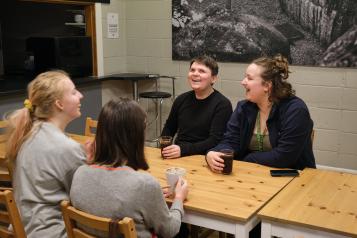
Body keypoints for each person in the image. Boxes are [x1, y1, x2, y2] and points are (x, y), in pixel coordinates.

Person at [70, 99, 189, 238]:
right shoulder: (145, 185)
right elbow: (170, 230)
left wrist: (151, 197)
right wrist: (179, 198)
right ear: (135, 135)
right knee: (182, 230)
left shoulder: (79, 173)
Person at [6, 70, 86, 238]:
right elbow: (85, 200)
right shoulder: (67, 148)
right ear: (59, 104)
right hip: (52, 232)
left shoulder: (27, 134)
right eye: (73, 92)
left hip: (23, 228)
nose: (81, 95)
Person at [206, 54, 316, 172]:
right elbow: (230, 141)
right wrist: (213, 153)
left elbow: (284, 157)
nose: (243, 82)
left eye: (249, 78)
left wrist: (247, 159)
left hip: (292, 176)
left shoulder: (295, 110)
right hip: (251, 173)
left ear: (267, 86)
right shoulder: (243, 108)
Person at [161, 55, 232, 159]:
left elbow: (214, 141)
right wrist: (165, 146)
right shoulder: (181, 99)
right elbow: (169, 128)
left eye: (202, 71)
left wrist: (183, 150)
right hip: (178, 154)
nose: (195, 74)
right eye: (192, 70)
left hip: (204, 157)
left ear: (213, 78)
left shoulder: (222, 104)